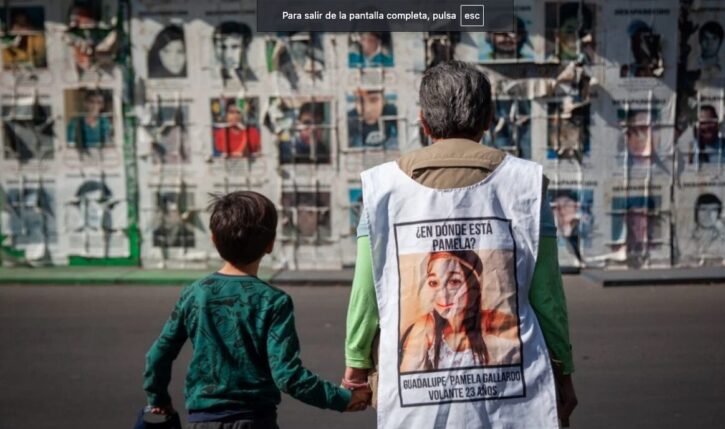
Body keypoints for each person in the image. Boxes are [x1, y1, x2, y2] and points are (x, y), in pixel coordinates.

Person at [344, 61, 576, 428]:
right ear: (489, 119)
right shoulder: (527, 185)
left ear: (423, 122)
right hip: (512, 396)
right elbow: (547, 296)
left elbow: (366, 292)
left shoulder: (382, 189)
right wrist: (561, 370)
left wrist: (357, 365)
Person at [143, 191, 369, 427]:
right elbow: (288, 376)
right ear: (270, 245)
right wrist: (343, 399)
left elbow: (158, 355)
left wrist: (158, 398)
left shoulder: (195, 294)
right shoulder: (273, 301)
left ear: (213, 239)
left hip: (202, 420)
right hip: (255, 420)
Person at [399, 250, 520, 371]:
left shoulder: (486, 320)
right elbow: (409, 375)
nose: (443, 296)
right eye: (434, 282)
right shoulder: (426, 326)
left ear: (472, 286)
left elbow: (523, 331)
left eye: (454, 282)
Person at [690, 193, 725, 258]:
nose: (708, 214)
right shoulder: (689, 236)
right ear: (696, 213)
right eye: (703, 209)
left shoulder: (724, 237)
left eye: (713, 210)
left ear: (718, 214)